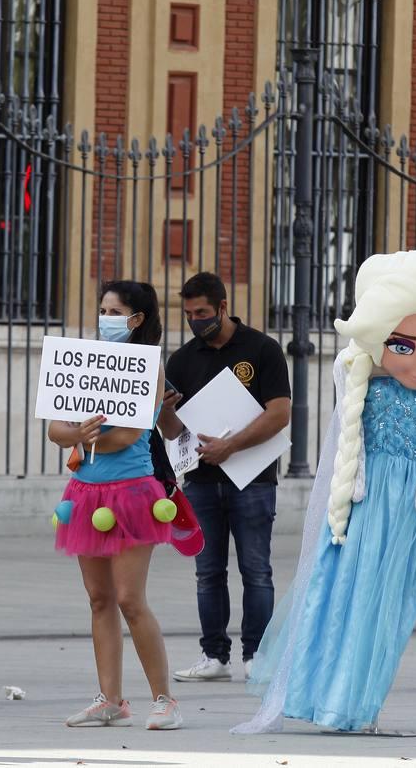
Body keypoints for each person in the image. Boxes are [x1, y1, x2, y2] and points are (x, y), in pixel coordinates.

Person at [233, 250, 416, 734]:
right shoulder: (360, 370)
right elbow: (354, 370)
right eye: (408, 344)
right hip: (366, 499)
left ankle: (360, 700)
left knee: (391, 605)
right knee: (351, 595)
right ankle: (339, 701)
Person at [49, 281, 182, 730]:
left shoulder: (149, 366)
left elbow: (129, 434)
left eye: (115, 310)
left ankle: (164, 699)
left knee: (130, 599)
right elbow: (55, 427)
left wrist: (81, 436)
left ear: (137, 319)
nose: (105, 317)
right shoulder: (85, 361)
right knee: (99, 599)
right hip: (85, 492)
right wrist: (75, 435)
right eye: (102, 308)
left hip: (131, 492)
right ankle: (111, 698)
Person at [158, 272, 290, 684]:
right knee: (208, 571)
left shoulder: (262, 350)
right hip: (201, 480)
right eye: (189, 314)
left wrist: (230, 446)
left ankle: (258, 656)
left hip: (252, 479)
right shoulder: (181, 359)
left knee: (257, 570)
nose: (195, 320)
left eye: (202, 313)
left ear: (223, 307)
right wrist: (163, 409)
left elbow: (280, 413)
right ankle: (214, 655)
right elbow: (171, 432)